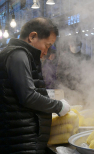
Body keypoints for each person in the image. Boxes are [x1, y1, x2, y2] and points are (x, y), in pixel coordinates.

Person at [0, 17, 71, 154]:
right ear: (32, 36)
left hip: (20, 139)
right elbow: (28, 96)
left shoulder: (16, 54)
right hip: (20, 142)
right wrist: (58, 106)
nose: (46, 51)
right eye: (47, 45)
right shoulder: (18, 55)